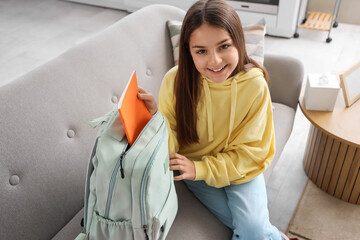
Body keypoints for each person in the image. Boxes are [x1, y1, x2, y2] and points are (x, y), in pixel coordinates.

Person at [138, 0, 289, 239]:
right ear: (189, 52)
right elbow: (172, 143)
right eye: (201, 51)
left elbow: (252, 152)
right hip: (196, 172)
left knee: (253, 230)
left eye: (224, 46)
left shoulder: (255, 85)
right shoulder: (174, 81)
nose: (215, 61)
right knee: (252, 230)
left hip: (241, 170)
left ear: (238, 42)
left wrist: (202, 168)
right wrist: (156, 119)